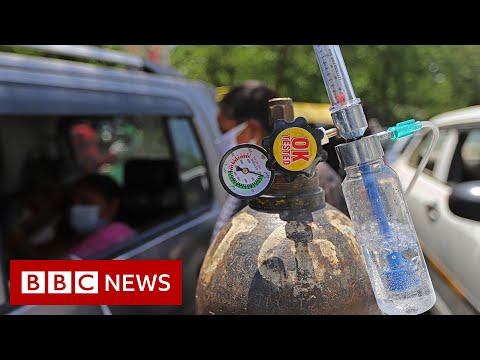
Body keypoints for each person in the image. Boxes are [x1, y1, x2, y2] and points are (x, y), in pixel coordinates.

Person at [211, 81, 348, 242]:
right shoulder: (249, 181)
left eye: (224, 132)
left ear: (252, 128)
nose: (221, 140)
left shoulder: (321, 179)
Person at [66, 174, 136, 258]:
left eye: (86, 202)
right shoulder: (76, 239)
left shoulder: (117, 234)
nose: (76, 208)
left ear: (112, 205)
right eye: (73, 203)